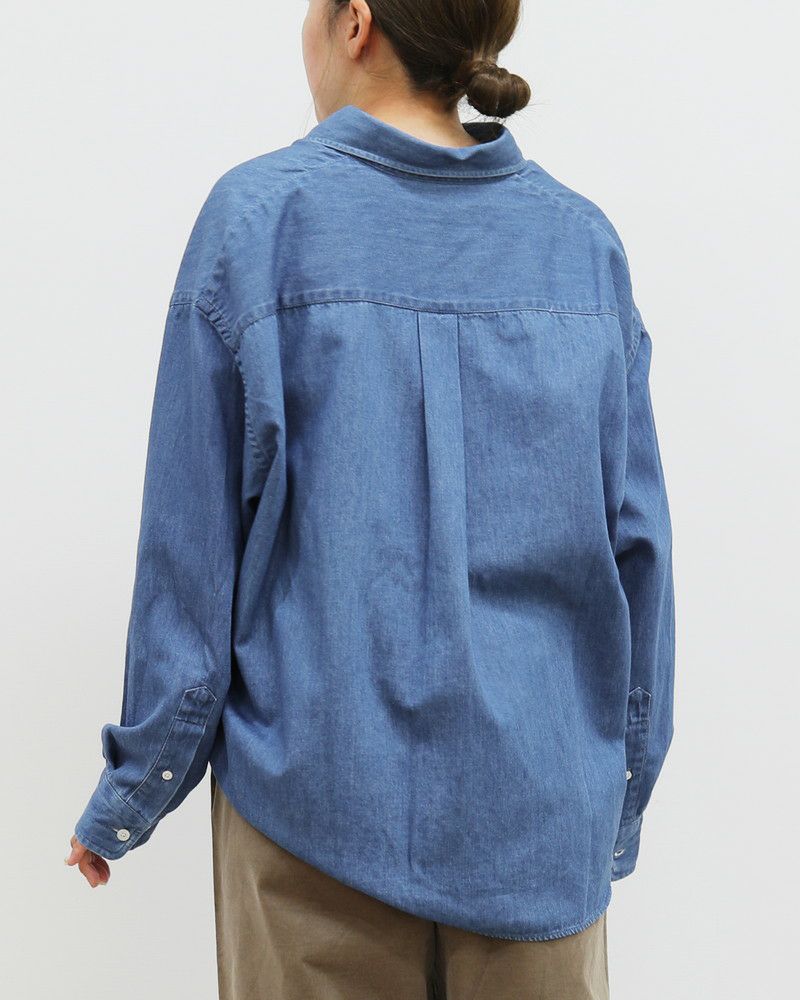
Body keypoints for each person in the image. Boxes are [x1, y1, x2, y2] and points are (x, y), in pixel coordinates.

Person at [66, 1, 676, 997]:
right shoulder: (582, 248)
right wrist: (618, 793)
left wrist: (135, 788)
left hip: (311, 817)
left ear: (356, 22)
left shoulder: (259, 223)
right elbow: (636, 549)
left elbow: (192, 555)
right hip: (536, 830)